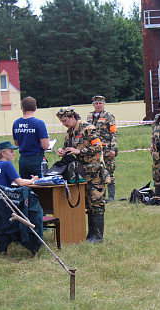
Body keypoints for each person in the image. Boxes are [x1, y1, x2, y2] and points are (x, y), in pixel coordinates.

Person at [56, 107, 106, 243]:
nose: (64, 123)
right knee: (88, 204)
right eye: (61, 121)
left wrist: (79, 151)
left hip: (95, 171)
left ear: (72, 117)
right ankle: (90, 235)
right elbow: (69, 148)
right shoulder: (70, 132)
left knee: (96, 202)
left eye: (65, 120)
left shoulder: (88, 128)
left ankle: (98, 236)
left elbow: (98, 147)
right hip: (81, 172)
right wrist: (63, 151)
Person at [87, 95, 118, 202]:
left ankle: (111, 197)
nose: (98, 105)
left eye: (100, 103)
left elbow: (113, 132)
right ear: (93, 105)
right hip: (94, 150)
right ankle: (98, 194)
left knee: (109, 171)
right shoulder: (90, 116)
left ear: (103, 104)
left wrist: (113, 148)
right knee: (96, 172)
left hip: (106, 149)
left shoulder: (109, 116)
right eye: (96, 103)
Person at [12, 96, 50, 179]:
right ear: (35, 108)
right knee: (41, 186)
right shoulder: (39, 123)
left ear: (23, 109)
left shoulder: (16, 123)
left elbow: (17, 144)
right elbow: (45, 146)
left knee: (26, 187)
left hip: (23, 160)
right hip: (36, 159)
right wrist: (48, 139)